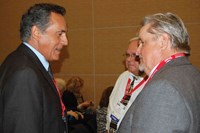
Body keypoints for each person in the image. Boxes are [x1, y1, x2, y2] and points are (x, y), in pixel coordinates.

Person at [118, 12, 200, 133]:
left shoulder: (163, 89)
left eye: (142, 43)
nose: (138, 51)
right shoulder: (193, 74)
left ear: (163, 41)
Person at [0, 3, 68, 133]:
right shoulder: (25, 73)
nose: (66, 42)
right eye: (60, 34)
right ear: (36, 33)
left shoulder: (27, 63)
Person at [106, 37, 148, 132]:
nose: (129, 59)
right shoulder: (123, 76)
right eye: (127, 55)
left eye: (134, 55)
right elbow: (111, 107)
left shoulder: (152, 82)